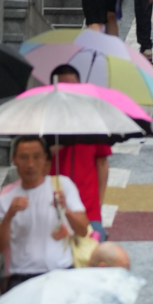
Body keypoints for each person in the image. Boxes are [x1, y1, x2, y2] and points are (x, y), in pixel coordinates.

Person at [0, 136, 89, 287]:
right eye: (23, 158)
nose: (30, 164)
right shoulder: (6, 196)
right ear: (14, 159)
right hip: (21, 277)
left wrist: (66, 210)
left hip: (61, 273)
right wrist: (9, 215)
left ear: (45, 160)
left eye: (36, 157)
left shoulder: (63, 185)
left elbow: (82, 230)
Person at [47, 68, 112, 240]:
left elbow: (102, 163)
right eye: (63, 87)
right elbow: (35, 159)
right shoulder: (43, 122)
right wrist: (60, 142)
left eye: (73, 88)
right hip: (52, 209)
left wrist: (98, 204)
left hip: (89, 212)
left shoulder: (92, 120)